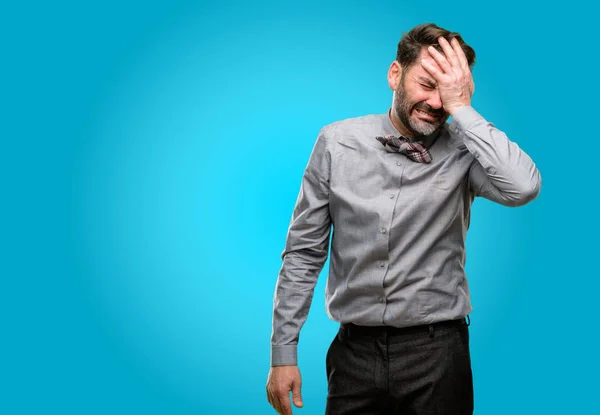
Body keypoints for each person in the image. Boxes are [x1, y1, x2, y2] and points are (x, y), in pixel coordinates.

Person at [265, 23, 541, 415]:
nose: (434, 101)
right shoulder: (336, 142)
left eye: (447, 91)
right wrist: (283, 352)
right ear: (396, 73)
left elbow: (523, 187)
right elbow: (304, 254)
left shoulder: (467, 151)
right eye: (426, 84)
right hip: (353, 354)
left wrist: (463, 110)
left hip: (438, 355)